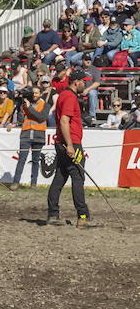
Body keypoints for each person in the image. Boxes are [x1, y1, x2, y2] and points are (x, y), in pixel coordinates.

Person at [46, 70, 100, 226]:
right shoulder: (70, 97)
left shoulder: (63, 95)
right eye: (84, 81)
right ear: (76, 82)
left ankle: (53, 215)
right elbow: (64, 121)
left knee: (60, 177)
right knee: (78, 178)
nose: (85, 84)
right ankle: (83, 217)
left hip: (62, 142)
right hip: (71, 143)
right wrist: (70, 145)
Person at [10, 87, 49, 189]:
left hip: (38, 135)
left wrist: (29, 107)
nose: (34, 95)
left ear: (41, 94)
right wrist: (21, 105)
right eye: (33, 93)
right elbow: (21, 119)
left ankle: (33, 183)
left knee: (35, 160)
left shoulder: (45, 105)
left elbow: (41, 117)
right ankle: (15, 182)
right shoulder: (25, 104)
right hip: (26, 134)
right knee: (21, 159)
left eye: (36, 93)